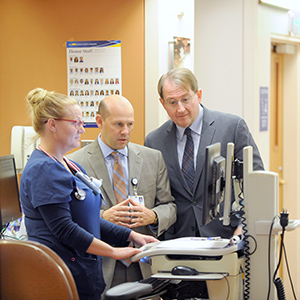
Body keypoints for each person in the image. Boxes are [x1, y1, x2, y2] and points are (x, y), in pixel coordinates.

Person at [20, 88, 158, 300]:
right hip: (61, 275)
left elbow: (89, 220)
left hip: (83, 273)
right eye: (76, 123)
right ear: (53, 124)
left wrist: (131, 235)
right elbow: (65, 229)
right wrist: (114, 251)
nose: (82, 129)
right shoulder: (43, 169)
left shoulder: (70, 166)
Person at [68, 95, 176, 296]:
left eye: (130, 124)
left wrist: (153, 216)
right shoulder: (74, 163)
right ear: (99, 121)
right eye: (118, 124)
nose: (125, 132)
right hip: (102, 264)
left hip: (144, 262)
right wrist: (102, 218)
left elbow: (169, 206)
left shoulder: (152, 159)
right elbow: (69, 218)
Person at [145, 67, 264, 240]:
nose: (180, 109)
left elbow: (257, 182)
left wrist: (243, 229)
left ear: (198, 95)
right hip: (177, 244)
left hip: (226, 238)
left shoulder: (232, 127)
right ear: (162, 103)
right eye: (172, 102)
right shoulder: (154, 141)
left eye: (186, 99)